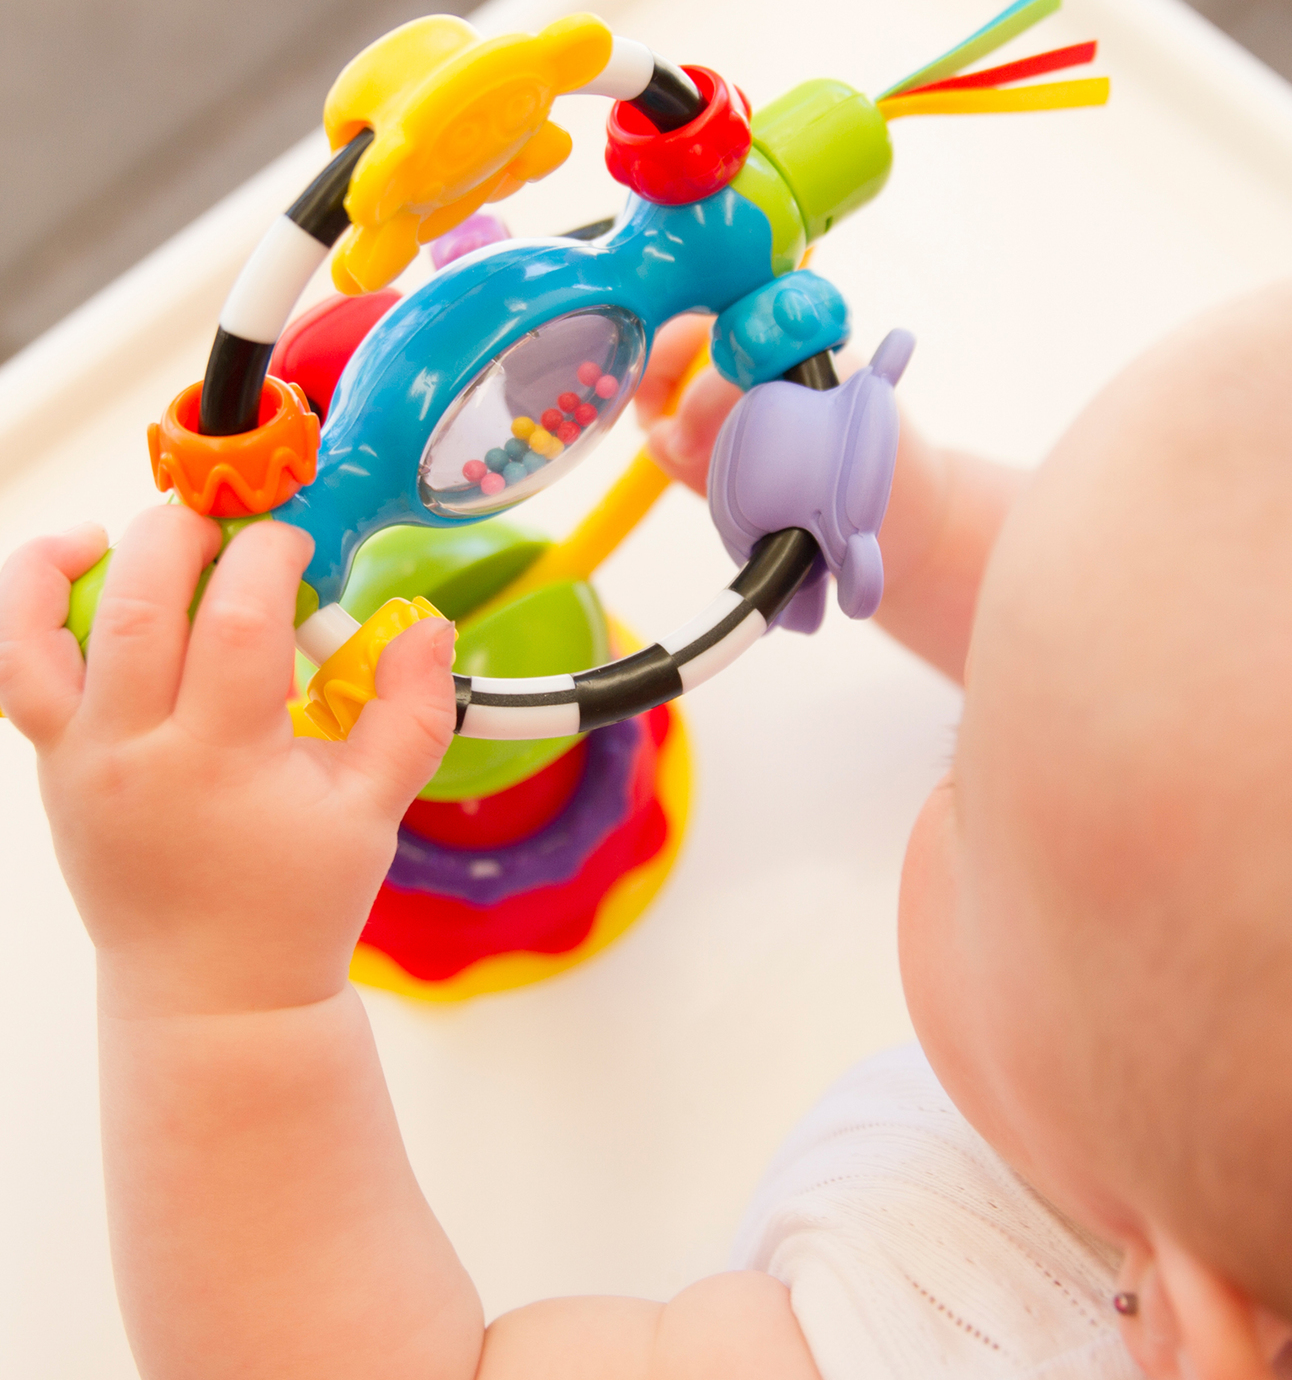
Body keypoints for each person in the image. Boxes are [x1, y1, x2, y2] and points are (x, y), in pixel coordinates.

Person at [1, 288, 1291, 1380]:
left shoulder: (932, 1332)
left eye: (975, 775)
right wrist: (927, 524)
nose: (950, 778)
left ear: (1196, 1323)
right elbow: (1210, 661)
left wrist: (218, 992)